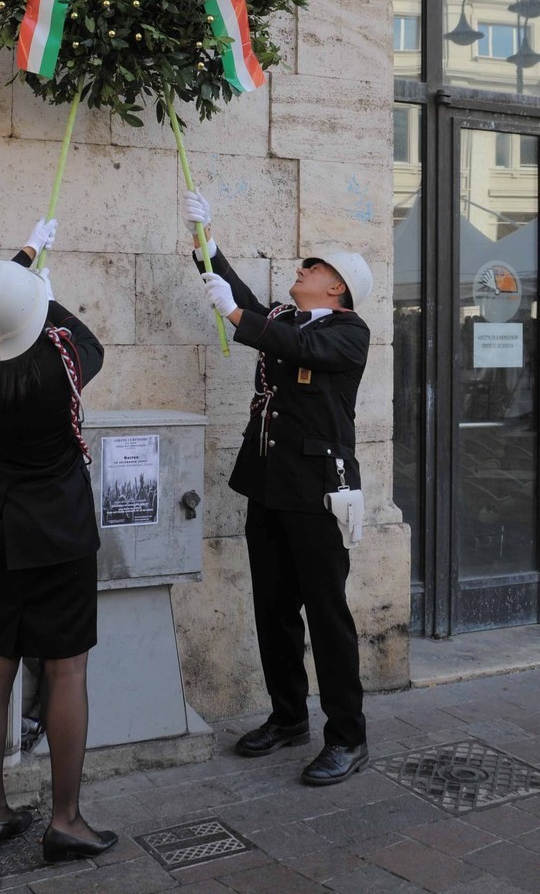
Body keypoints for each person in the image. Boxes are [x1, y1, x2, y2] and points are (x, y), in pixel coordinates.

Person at [183, 189, 373, 786]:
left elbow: (291, 344)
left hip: (319, 492)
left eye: (312, 267)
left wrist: (239, 319)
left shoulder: (348, 332)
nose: (301, 270)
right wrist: (207, 244)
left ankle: (347, 736)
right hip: (268, 484)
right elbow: (248, 306)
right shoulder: (288, 317)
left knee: (327, 615)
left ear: (336, 287)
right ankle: (289, 717)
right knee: (273, 610)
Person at [0, 216, 117, 862]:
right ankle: (65, 820)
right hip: (56, 531)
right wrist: (41, 281)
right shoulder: (60, 361)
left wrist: (23, 256)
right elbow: (87, 341)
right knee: (65, 668)